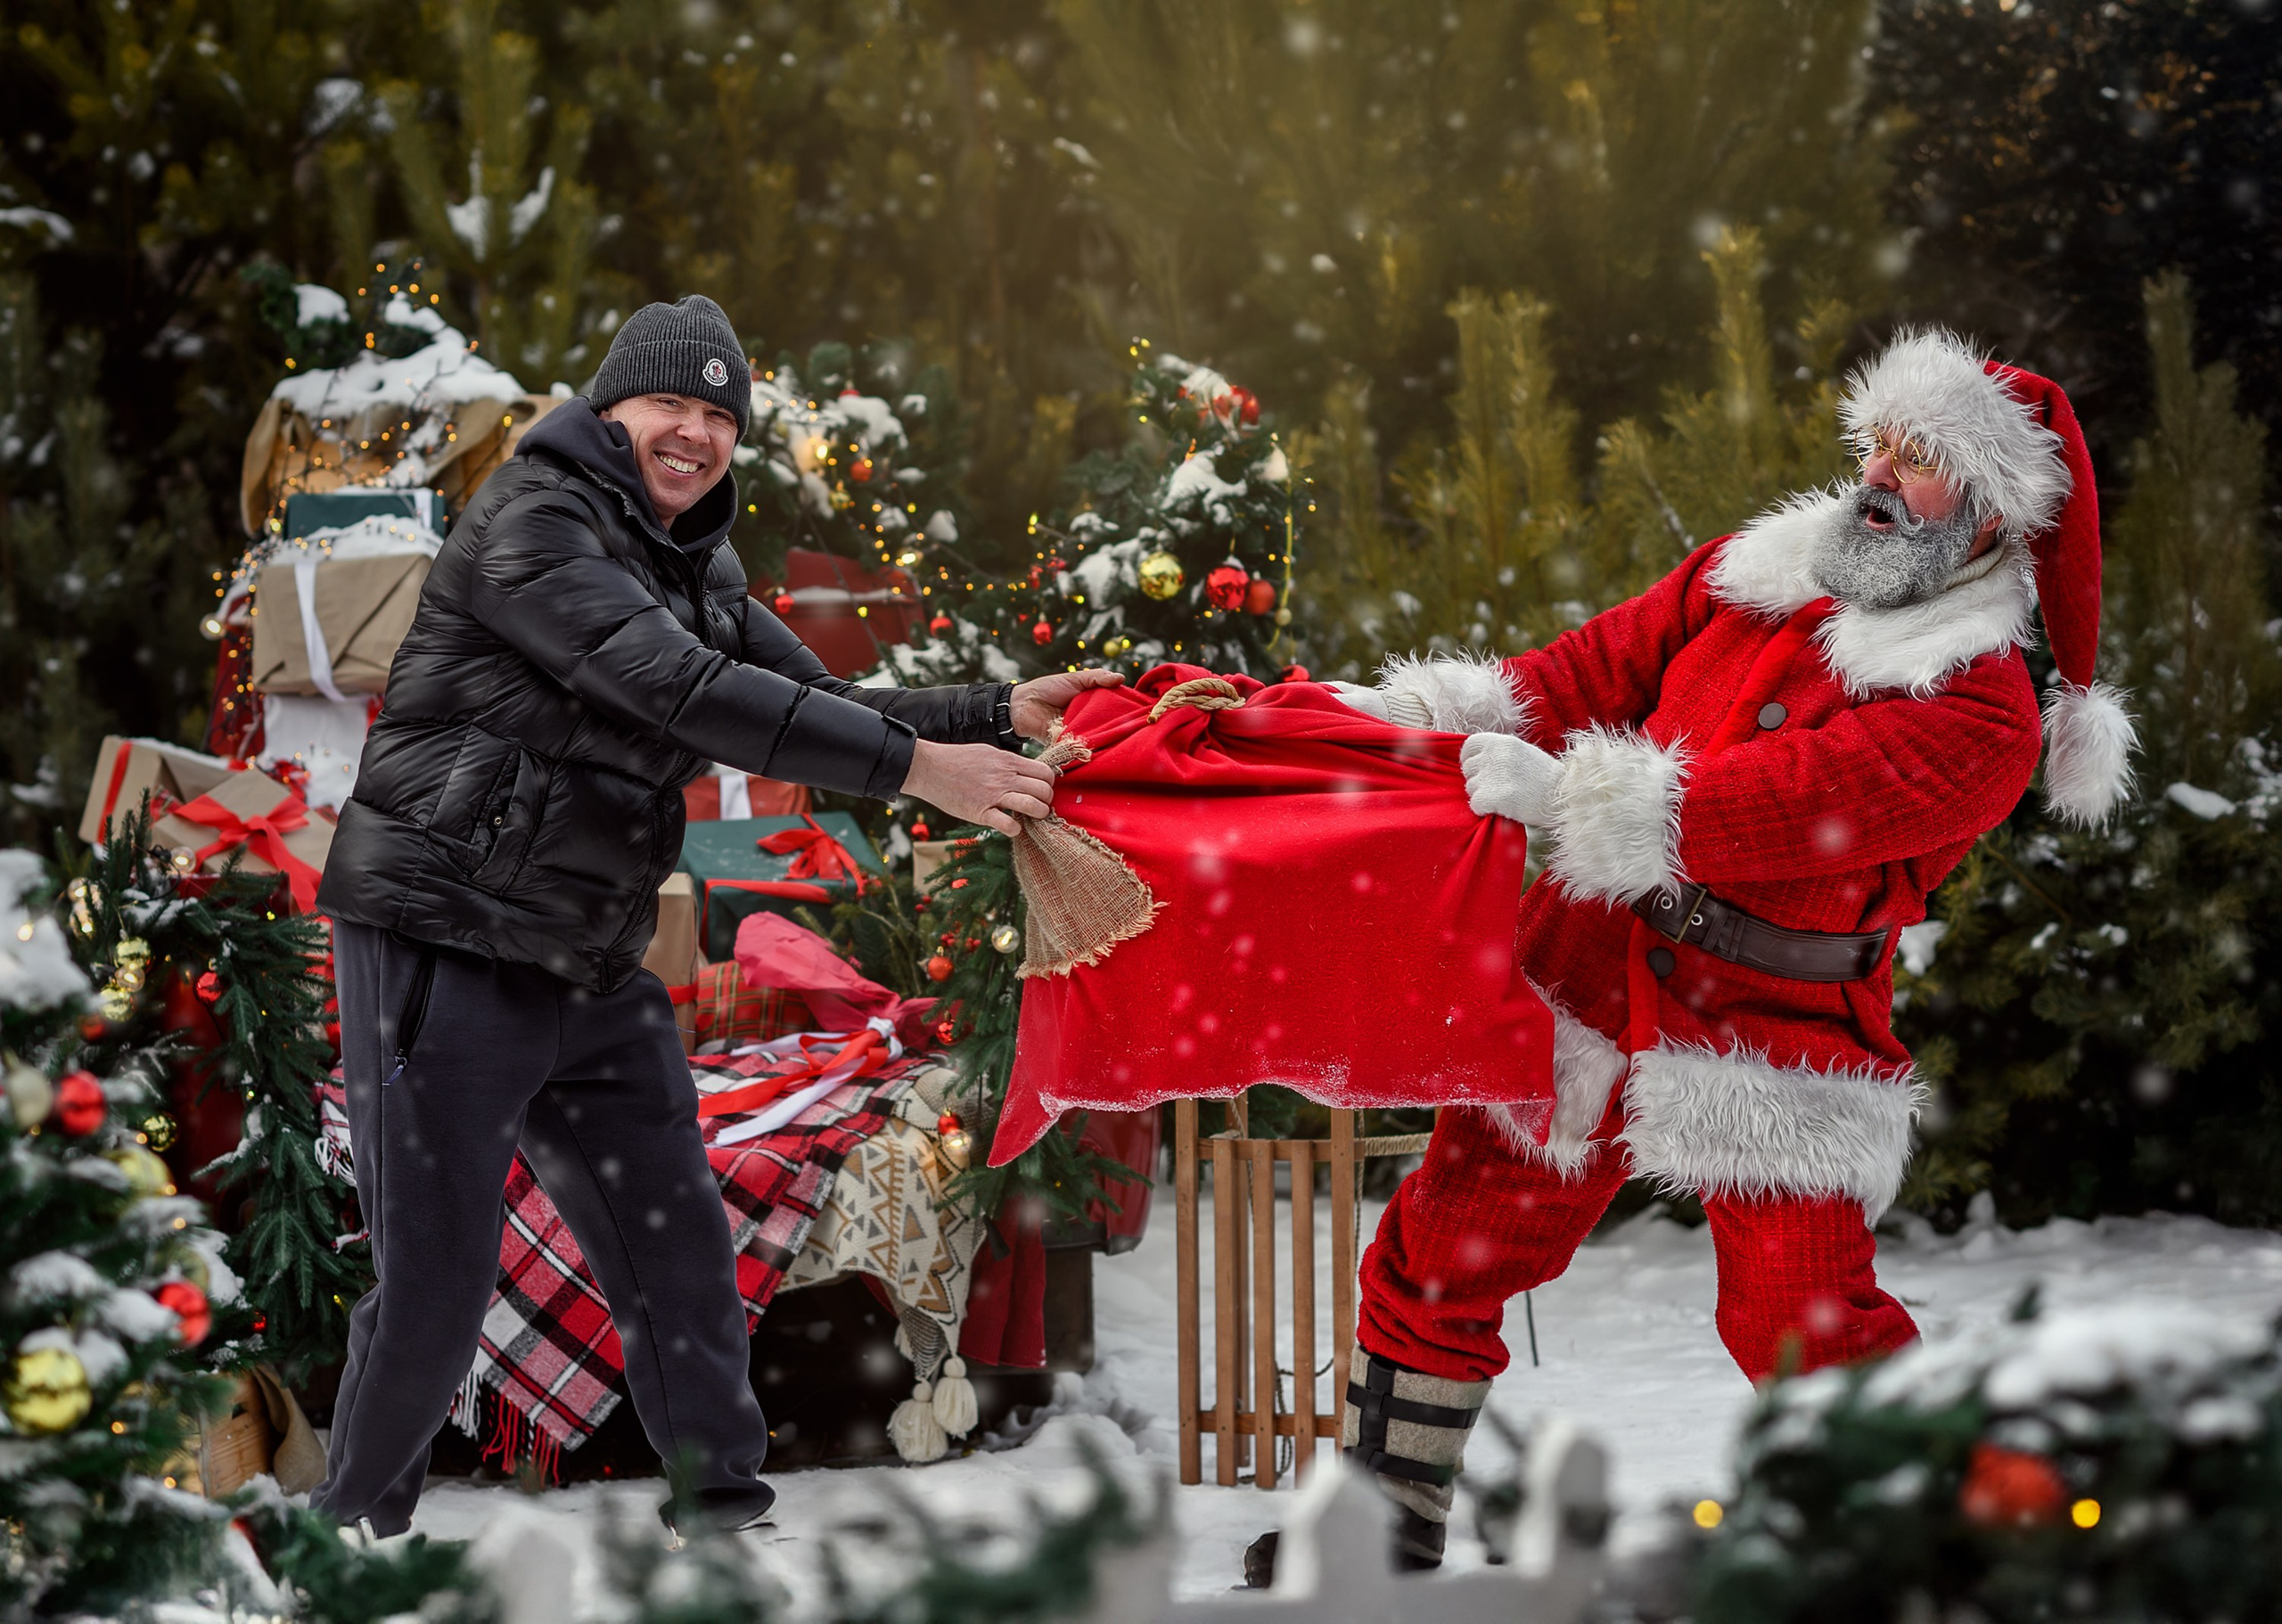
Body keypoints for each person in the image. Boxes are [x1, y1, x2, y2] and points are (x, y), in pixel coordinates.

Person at [1322, 328, 2136, 1569]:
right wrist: (1416, 721)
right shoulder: (1753, 572)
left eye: (1919, 459)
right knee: (1450, 1240)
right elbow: (1589, 668)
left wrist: (1568, 799)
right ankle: (1380, 1526)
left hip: (1776, 1023)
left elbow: (1782, 804)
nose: (1878, 474)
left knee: (1801, 1317)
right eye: (1879, 443)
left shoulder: (1983, 712)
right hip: (1589, 960)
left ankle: (1921, 1550)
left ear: (1989, 511)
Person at [310, 294, 1118, 1538]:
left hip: (588, 951)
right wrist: (924, 775)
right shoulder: (536, 522)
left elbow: (821, 696)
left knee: (675, 1239)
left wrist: (995, 712)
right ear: (610, 409)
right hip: (444, 932)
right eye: (667, 404)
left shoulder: (695, 565)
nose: (693, 432)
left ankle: (723, 1512)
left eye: (717, 414)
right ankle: (347, 1544)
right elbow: (680, 689)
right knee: (436, 1285)